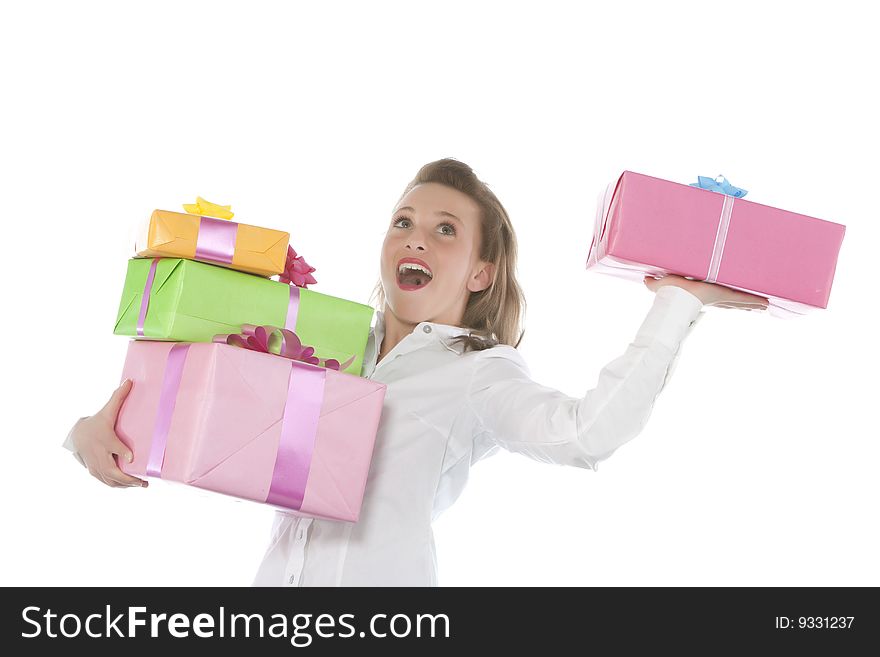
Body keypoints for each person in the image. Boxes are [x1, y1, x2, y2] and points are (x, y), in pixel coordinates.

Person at [63, 158, 769, 586]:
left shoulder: (478, 374)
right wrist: (91, 429)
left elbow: (587, 432)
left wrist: (679, 302)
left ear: (480, 272)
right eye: (403, 221)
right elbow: (195, 387)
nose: (415, 238)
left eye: (444, 230)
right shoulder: (321, 348)